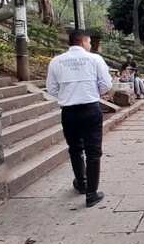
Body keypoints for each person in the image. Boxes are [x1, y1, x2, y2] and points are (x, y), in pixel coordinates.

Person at [46, 30, 113, 207]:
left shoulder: (56, 61)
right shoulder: (95, 59)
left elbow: (51, 89)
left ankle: (81, 183)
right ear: (83, 41)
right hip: (90, 109)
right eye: (89, 42)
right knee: (93, 150)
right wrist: (91, 92)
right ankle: (91, 194)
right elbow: (106, 84)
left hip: (68, 112)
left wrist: (69, 94)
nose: (90, 45)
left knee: (75, 148)